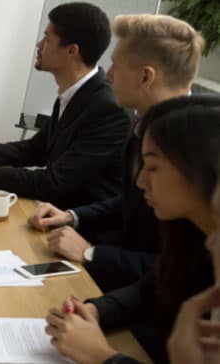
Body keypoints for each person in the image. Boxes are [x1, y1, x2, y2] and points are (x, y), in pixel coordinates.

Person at [28, 14, 203, 291]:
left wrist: (91, 253)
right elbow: (129, 201)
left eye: (116, 66)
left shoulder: (202, 151)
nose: (107, 75)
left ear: (146, 77)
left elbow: (189, 272)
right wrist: (72, 216)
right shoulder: (144, 123)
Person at [44, 95, 220, 364]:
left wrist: (102, 357)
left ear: (203, 170)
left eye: (153, 167)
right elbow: (149, 288)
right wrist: (94, 310)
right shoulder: (191, 235)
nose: (140, 181)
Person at [0, 2, 131, 209]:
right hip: (51, 213)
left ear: (72, 51)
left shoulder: (108, 109)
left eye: (47, 38)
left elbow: (54, 182)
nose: (39, 45)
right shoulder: (75, 92)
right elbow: (34, 149)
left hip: (80, 229)